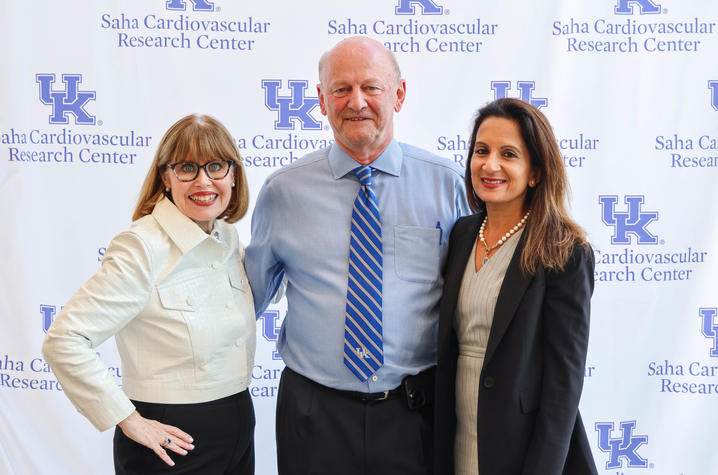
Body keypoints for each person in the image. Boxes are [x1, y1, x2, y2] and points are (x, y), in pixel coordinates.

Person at [245, 36, 468, 475]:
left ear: (399, 95)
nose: (356, 102)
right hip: (314, 415)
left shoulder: (450, 186)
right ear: (322, 100)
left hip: (417, 413)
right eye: (341, 89)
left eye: (372, 87)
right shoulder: (282, 192)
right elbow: (243, 301)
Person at [42, 114, 256, 475]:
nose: (204, 181)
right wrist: (128, 419)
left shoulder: (228, 238)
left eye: (216, 166)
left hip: (238, 422)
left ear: (233, 175)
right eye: (187, 167)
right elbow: (63, 340)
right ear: (166, 178)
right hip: (171, 438)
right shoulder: (141, 246)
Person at [434, 98, 598, 475]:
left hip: (521, 449)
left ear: (536, 172)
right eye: (481, 151)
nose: (490, 165)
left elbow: (563, 388)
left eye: (508, 154)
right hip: (458, 433)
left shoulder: (564, 252)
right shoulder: (462, 234)